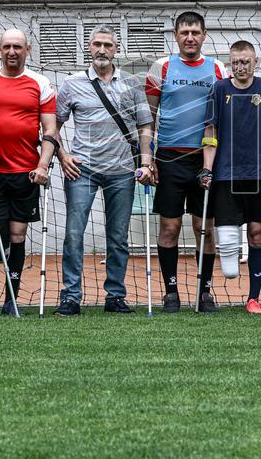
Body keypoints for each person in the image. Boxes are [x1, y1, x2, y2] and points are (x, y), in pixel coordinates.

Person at [55, 26, 153, 316]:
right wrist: (62, 156)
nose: (102, 49)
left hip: (122, 171)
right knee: (74, 233)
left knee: (118, 236)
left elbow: (145, 125)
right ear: (88, 47)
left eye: (107, 45)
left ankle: (115, 296)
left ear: (116, 49)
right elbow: (51, 126)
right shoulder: (71, 84)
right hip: (82, 170)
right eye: (97, 44)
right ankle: (71, 296)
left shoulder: (133, 83)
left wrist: (146, 162)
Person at [0, 29, 59, 316]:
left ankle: (10, 299)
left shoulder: (40, 83)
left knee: (18, 235)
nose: (12, 51)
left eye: (17, 46)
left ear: (27, 49)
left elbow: (50, 129)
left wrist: (43, 166)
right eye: (7, 46)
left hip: (26, 173)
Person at [146, 12, 227, 312]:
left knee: (204, 227)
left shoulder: (217, 68)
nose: (190, 37)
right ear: (176, 35)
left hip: (204, 158)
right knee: (169, 227)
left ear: (204, 35)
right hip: (168, 158)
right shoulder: (162, 67)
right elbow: (148, 118)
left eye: (195, 32)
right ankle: (171, 292)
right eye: (184, 32)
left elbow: (222, 119)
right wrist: (148, 157)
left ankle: (204, 292)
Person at [200, 41, 261, 314]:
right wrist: (207, 168)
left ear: (255, 62)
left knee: (257, 235)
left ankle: (253, 298)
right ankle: (216, 289)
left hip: (259, 175)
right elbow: (210, 132)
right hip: (226, 176)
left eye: (245, 61)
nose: (240, 66)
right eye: (236, 62)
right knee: (226, 247)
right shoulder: (219, 89)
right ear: (230, 63)